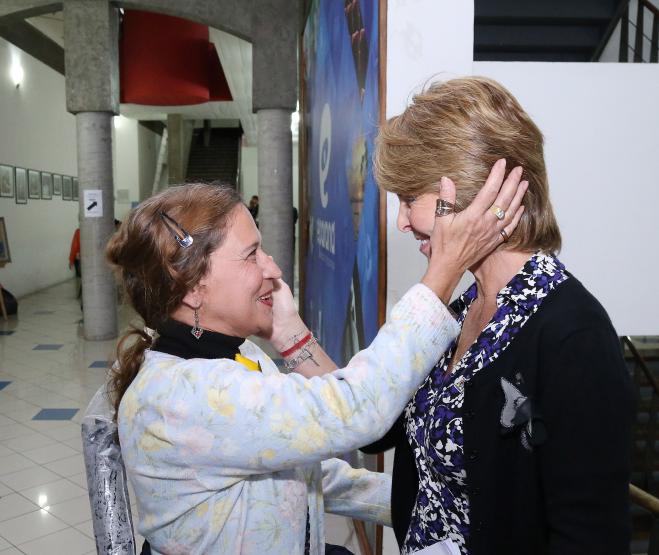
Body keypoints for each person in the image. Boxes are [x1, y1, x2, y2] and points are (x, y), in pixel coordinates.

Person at [106, 174, 524, 554]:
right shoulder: (185, 398)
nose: (272, 267)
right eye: (252, 255)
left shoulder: (237, 355)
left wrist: (427, 502)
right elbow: (358, 407)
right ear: (193, 287)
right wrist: (443, 271)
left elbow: (304, 472)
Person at [362, 76, 632, 554]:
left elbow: (588, 532)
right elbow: (376, 426)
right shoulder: (459, 309)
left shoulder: (573, 332)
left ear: (473, 190)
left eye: (409, 200)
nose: (402, 221)